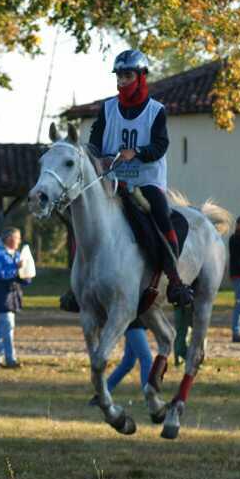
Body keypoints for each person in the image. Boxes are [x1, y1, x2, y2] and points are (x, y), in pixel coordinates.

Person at [88, 49, 193, 307]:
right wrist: (97, 156)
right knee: (84, 213)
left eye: (127, 75)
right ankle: (80, 282)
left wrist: (136, 152)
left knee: (160, 212)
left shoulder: (156, 110)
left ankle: (175, 280)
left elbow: (160, 145)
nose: (121, 81)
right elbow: (94, 140)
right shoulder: (108, 108)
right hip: (112, 179)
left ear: (141, 76)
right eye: (119, 76)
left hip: (146, 181)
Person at [0, 227, 30, 369]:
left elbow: (21, 276)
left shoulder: (16, 254)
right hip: (0, 296)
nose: (19, 241)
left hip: (12, 296)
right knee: (8, 326)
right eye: (17, 238)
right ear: (9, 238)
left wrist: (26, 275)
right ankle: (11, 360)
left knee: (3, 329)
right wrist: (15, 268)